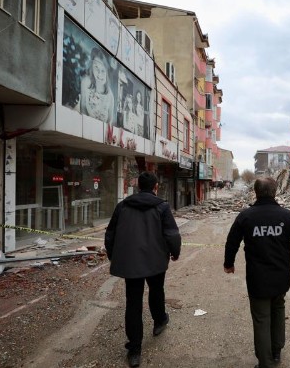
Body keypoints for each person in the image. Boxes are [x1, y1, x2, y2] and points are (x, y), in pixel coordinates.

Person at [224, 177, 290, 368]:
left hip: (258, 279)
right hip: (281, 277)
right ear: (275, 192)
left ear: (256, 192)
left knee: (261, 319)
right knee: (278, 310)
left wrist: (229, 263)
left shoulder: (246, 216)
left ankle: (265, 362)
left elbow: (232, 241)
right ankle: (276, 352)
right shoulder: (286, 216)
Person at [104, 171, 182, 367]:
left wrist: (113, 255)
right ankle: (159, 321)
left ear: (139, 186)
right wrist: (175, 252)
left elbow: (110, 233)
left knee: (133, 302)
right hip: (155, 261)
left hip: (130, 262)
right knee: (156, 291)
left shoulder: (122, 206)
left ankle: (135, 350)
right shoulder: (162, 207)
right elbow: (172, 233)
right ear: (155, 187)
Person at [79, 47, 115, 123]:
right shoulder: (85, 82)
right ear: (92, 66)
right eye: (96, 67)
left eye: (103, 70)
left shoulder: (110, 96)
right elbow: (83, 108)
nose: (99, 73)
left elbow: (109, 123)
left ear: (107, 72)